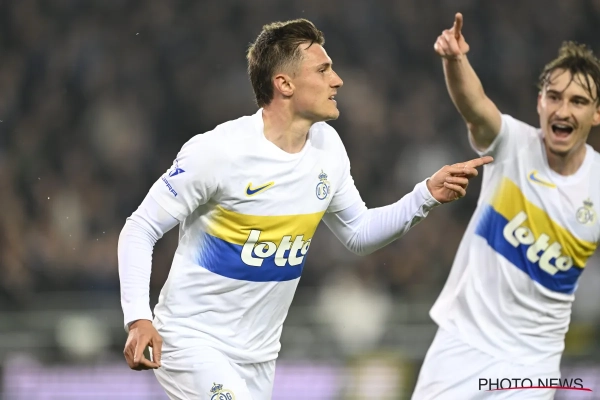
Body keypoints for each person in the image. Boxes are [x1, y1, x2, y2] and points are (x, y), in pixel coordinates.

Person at [118, 18, 492, 400]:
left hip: (259, 357)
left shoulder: (327, 148)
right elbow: (140, 227)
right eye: (323, 70)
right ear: (285, 84)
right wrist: (138, 318)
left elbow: (358, 232)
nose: (337, 81)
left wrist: (425, 195)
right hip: (192, 342)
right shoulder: (219, 152)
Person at [412, 13, 600, 400]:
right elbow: (475, 106)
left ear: (596, 114)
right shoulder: (513, 143)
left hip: (533, 366)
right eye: (554, 96)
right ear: (540, 102)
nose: (563, 110)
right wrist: (455, 60)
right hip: (462, 345)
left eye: (578, 101)